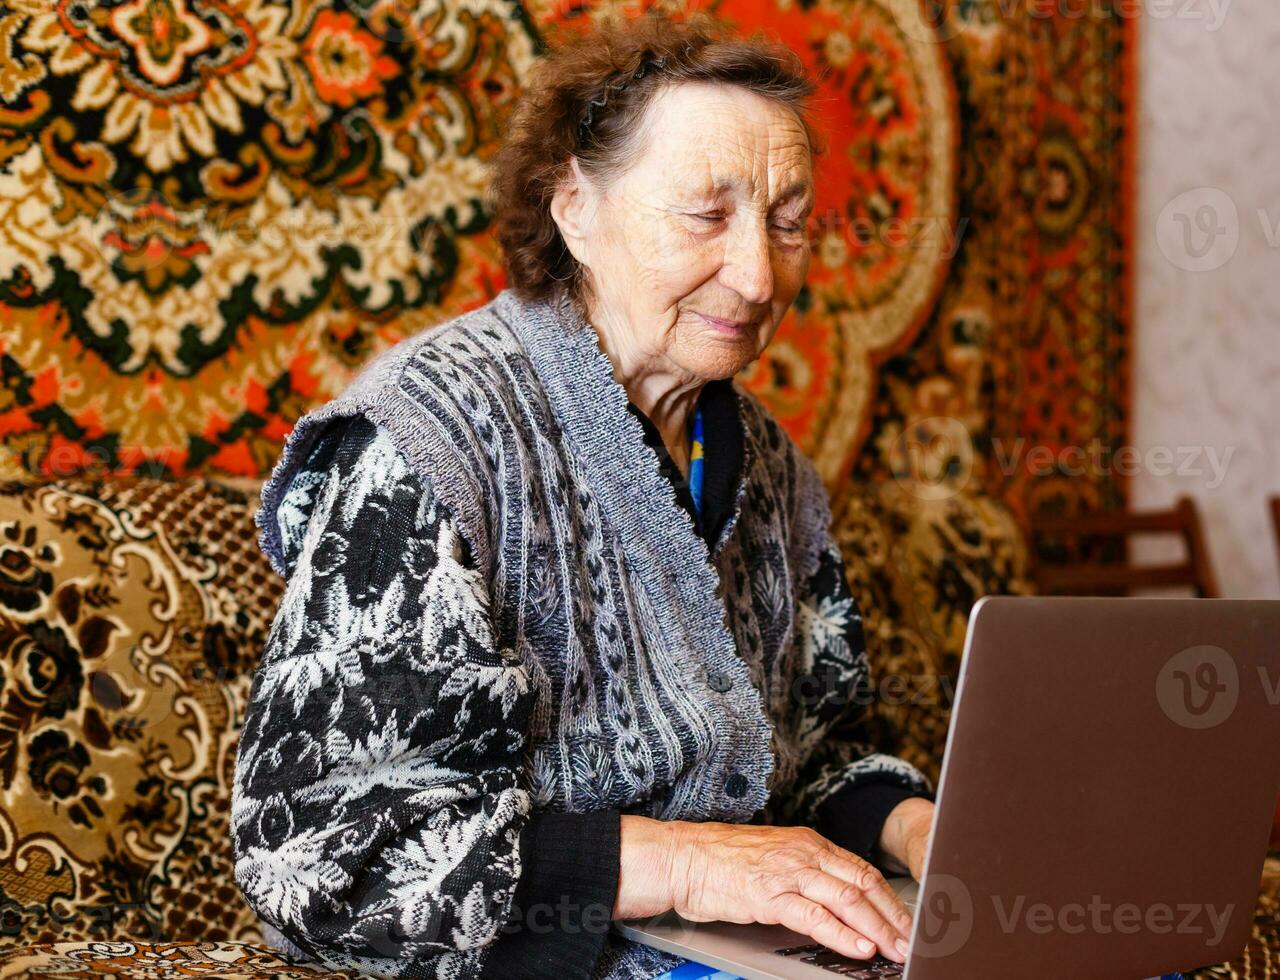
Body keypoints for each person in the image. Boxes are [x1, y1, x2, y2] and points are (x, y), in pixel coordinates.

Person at [231, 10, 936, 980]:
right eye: (705, 214)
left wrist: (917, 829)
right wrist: (682, 864)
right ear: (575, 205)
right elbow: (315, 857)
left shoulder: (769, 467)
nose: (760, 273)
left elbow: (813, 752)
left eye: (787, 222)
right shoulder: (428, 441)